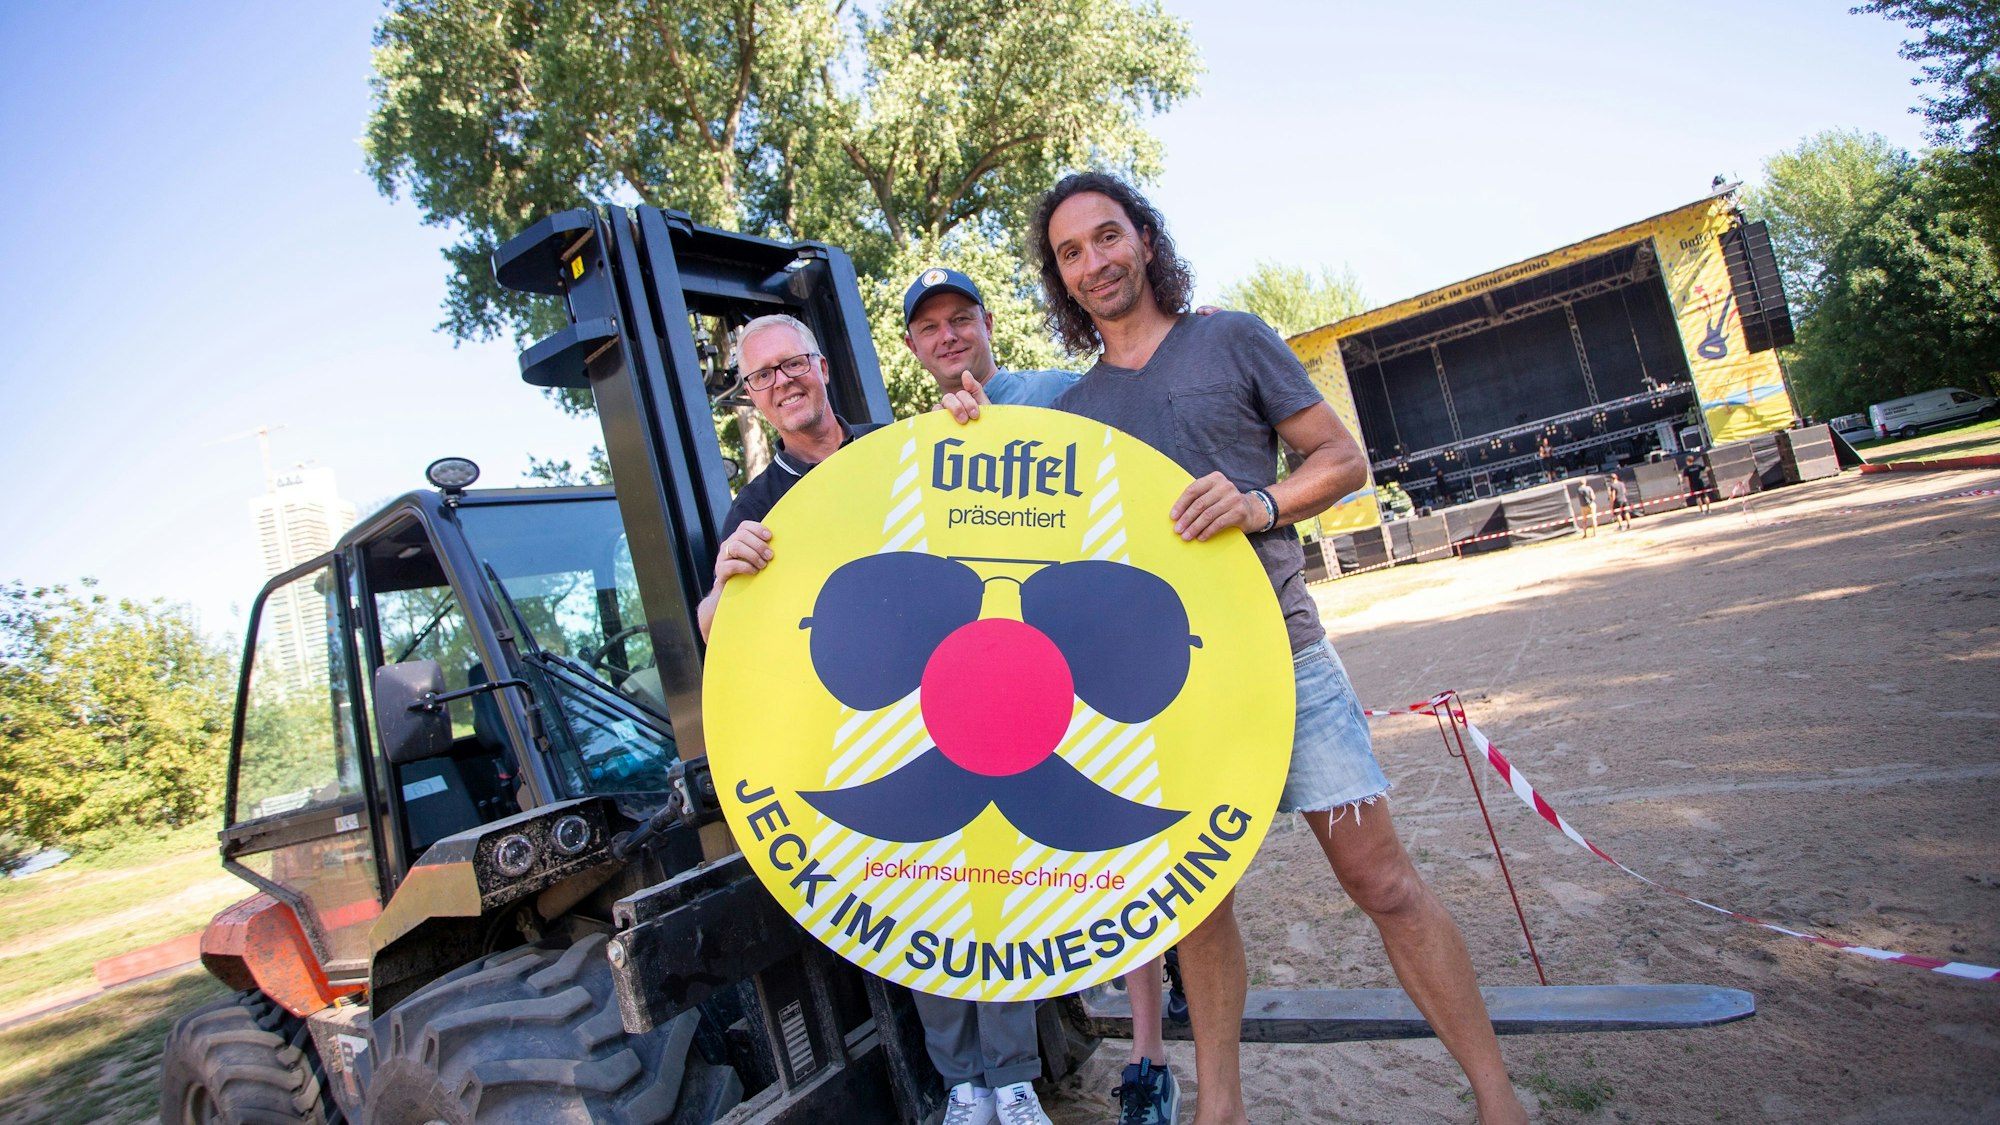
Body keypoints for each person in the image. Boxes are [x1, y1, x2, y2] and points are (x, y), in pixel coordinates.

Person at [1019, 172, 1527, 1125]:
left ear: (1144, 239)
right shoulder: (1075, 411)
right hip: (1166, 694)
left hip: (1285, 661)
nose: (1094, 262)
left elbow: (1342, 457)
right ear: (1060, 278)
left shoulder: (1234, 338)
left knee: (1382, 881)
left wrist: (1259, 503)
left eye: (1106, 236)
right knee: (1196, 908)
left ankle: (1500, 1100)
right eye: (1071, 252)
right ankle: (1223, 1110)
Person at [908, 265, 1181, 1125]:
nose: (949, 336)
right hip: (1003, 678)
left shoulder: (1055, 392)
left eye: (962, 319)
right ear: (914, 347)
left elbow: (1132, 445)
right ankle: (988, 1075)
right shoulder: (914, 440)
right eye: (931, 327)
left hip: (1085, 644)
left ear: (988, 323)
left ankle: (1146, 1055)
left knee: (1120, 846)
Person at [696, 314, 852, 641]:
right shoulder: (752, 512)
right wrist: (722, 590)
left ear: (822, 368)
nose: (781, 381)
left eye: (793, 363)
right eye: (763, 375)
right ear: (752, 396)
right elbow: (717, 634)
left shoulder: (893, 446)